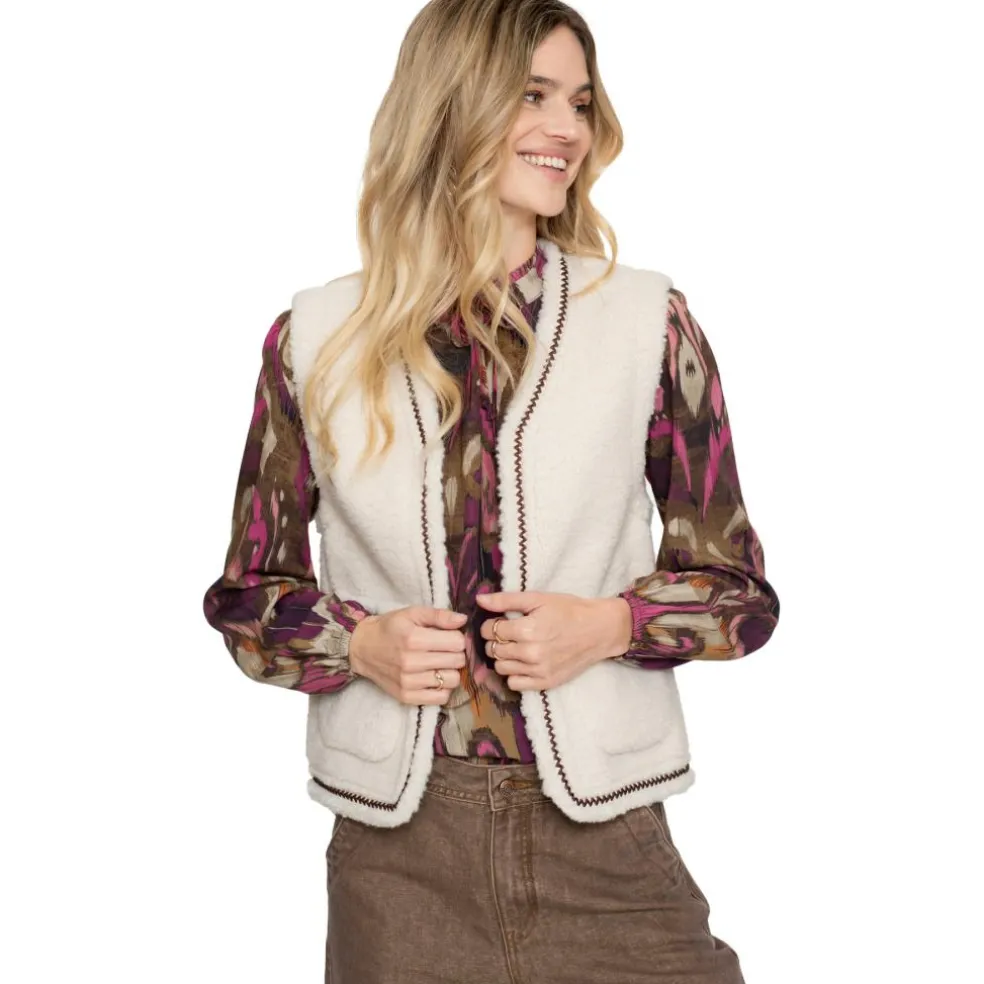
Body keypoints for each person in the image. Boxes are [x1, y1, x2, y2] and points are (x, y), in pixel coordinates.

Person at [202, 1, 780, 981]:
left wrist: (609, 625)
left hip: (607, 842)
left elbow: (740, 594)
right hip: (399, 858)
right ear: (449, 105)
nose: (568, 129)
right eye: (534, 96)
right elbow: (249, 598)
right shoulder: (314, 338)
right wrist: (360, 644)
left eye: (581, 103)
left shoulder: (648, 323)